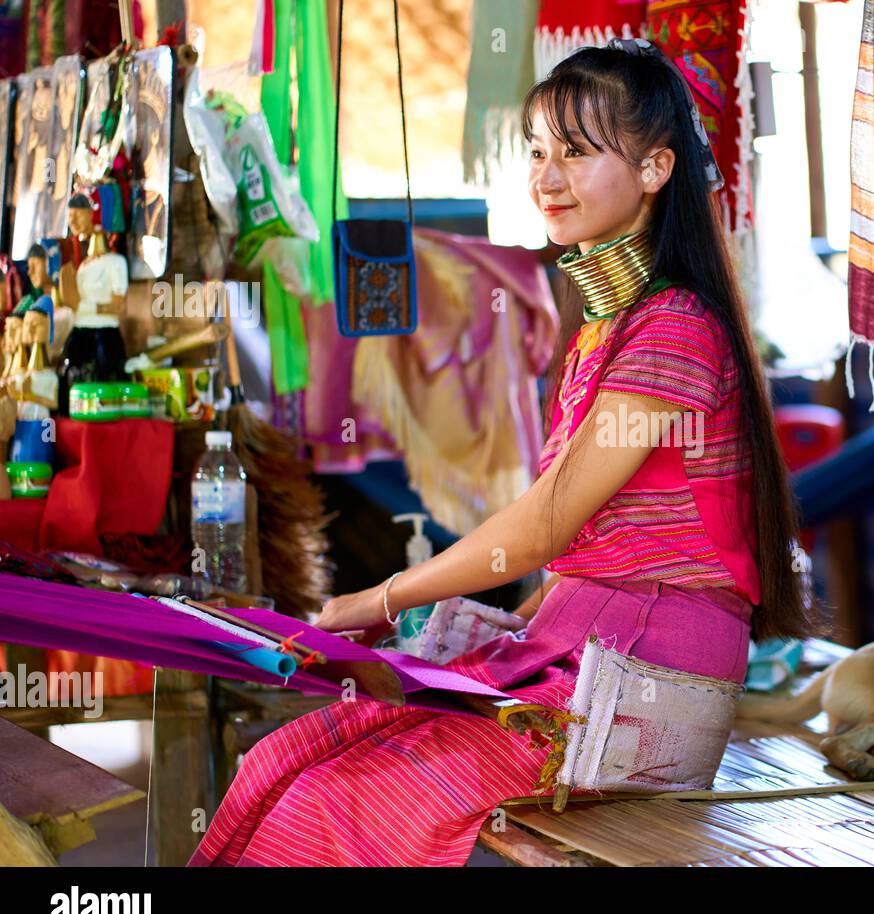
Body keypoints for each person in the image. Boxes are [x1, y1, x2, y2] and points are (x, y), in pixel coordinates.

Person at [189, 38, 822, 868]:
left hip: (640, 685)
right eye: (538, 151)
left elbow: (536, 536)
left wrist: (370, 602)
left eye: (578, 152)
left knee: (333, 798)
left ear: (657, 168)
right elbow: (577, 555)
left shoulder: (671, 329)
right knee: (284, 759)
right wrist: (477, 636)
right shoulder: (610, 325)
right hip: (585, 656)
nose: (547, 177)